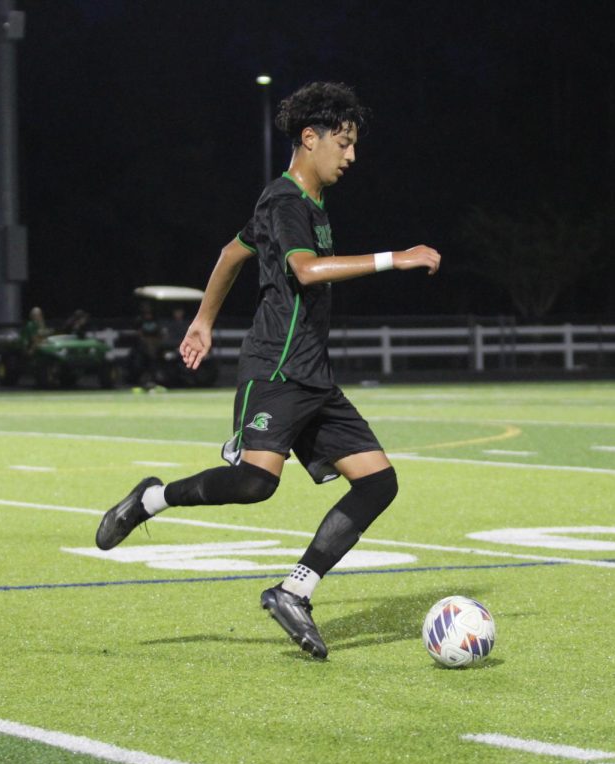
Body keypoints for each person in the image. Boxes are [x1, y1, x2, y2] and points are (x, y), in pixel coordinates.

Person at [95, 82, 440, 659]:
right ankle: (151, 499)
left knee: (379, 481)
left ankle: (293, 591)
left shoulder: (307, 205)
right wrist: (394, 258)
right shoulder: (284, 202)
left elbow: (233, 255)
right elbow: (305, 271)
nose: (351, 156)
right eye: (344, 143)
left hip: (312, 375)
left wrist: (203, 321)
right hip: (275, 368)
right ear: (311, 138)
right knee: (256, 483)